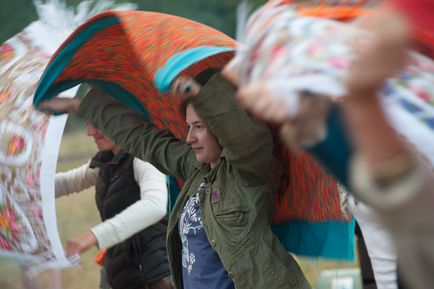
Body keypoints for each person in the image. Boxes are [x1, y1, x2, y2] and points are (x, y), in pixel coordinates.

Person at [39, 71, 311, 289]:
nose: (190, 137)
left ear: (220, 128)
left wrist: (203, 96)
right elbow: (145, 140)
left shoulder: (246, 170)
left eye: (200, 127)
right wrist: (82, 106)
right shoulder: (196, 167)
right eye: (188, 126)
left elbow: (245, 136)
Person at [55, 120, 172, 289]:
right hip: (121, 274)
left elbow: (155, 206)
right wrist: (20, 182)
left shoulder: (143, 157)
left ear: (118, 116)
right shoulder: (107, 160)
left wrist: (93, 236)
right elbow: (66, 183)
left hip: (154, 278)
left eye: (97, 122)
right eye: (87, 123)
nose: (90, 132)